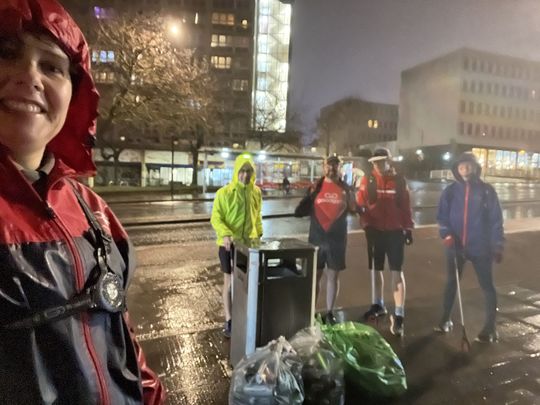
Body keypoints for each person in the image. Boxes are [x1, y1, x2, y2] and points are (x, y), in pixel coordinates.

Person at [0, 1, 165, 403]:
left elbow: (124, 346)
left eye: (52, 66)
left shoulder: (94, 212)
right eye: (6, 53)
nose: (29, 76)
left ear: (75, 95)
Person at [435, 152, 504, 343]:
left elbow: (496, 220)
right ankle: (445, 319)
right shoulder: (450, 191)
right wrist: (447, 234)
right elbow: (442, 217)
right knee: (451, 283)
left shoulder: (487, 191)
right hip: (455, 247)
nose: (464, 168)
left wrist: (497, 244)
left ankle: (490, 328)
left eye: (468, 165)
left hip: (481, 248)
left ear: (475, 168)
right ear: (457, 169)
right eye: (461, 166)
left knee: (487, 286)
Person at [356, 148, 414, 337]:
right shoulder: (367, 180)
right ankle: (378, 304)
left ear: (389, 161)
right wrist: (364, 222)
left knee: (396, 272)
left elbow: (406, 206)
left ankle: (399, 315)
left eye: (381, 161)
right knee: (375, 269)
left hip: (395, 232)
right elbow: (360, 202)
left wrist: (408, 228)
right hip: (374, 231)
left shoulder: (399, 181)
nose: (378, 165)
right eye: (375, 162)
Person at [294, 155, 356, 324]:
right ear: (324, 167)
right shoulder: (316, 187)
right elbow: (300, 210)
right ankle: (310, 312)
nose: (332, 168)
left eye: (335, 165)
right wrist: (307, 200)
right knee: (315, 277)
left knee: (333, 277)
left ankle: (329, 312)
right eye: (329, 165)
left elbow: (354, 209)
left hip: (337, 240)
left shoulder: (347, 189)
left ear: (340, 168)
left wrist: (356, 204)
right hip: (316, 239)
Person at [211, 153, 263, 338]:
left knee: (248, 283)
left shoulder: (256, 192)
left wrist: (260, 233)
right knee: (230, 282)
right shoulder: (224, 193)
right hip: (228, 245)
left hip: (248, 245)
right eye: (242, 171)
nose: (245, 175)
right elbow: (216, 217)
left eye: (249, 171)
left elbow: (257, 217)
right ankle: (230, 319)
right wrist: (225, 234)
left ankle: (246, 317)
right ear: (236, 171)